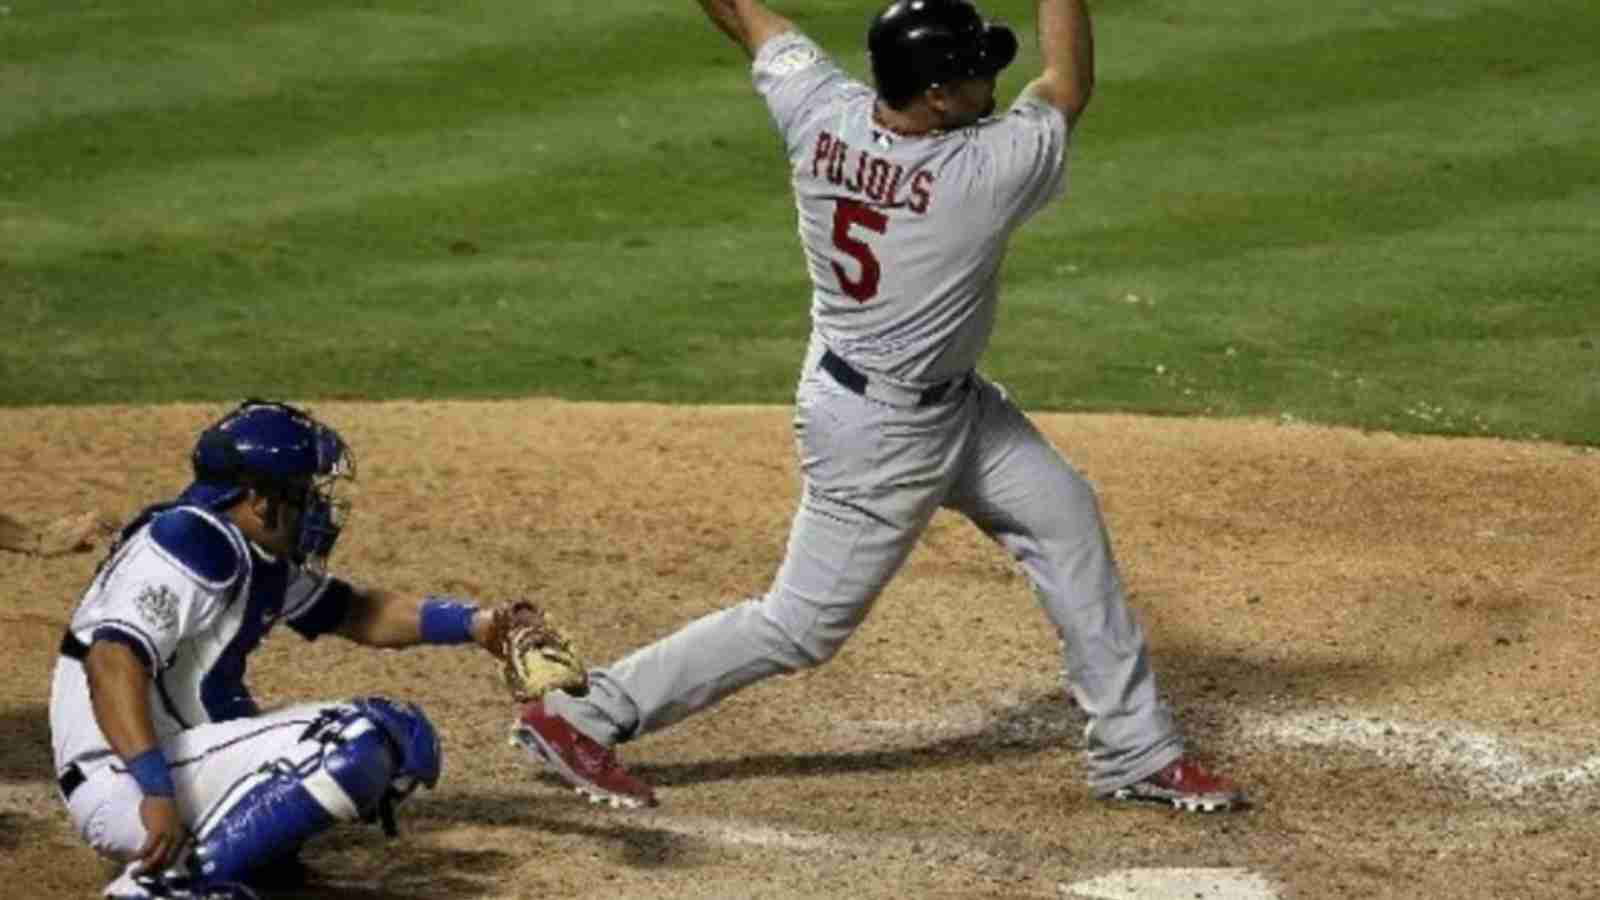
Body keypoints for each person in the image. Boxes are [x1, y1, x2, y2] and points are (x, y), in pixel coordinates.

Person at [513, 0, 1245, 813]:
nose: (989, 80)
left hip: (947, 405)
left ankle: (1135, 751)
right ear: (936, 95)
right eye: (974, 70)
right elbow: (1068, 82)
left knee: (1062, 512)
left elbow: (751, 20)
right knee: (801, 624)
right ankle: (583, 711)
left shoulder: (819, 109)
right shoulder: (983, 174)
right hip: (880, 433)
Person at [50, 399, 527, 899]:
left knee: (399, 738)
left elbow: (356, 612)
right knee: (354, 738)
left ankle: (241, 872)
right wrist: (154, 789)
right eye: (304, 494)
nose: (318, 510)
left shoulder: (247, 552)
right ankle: (160, 891)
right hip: (128, 775)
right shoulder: (191, 541)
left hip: (159, 765)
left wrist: (477, 625)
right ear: (259, 499)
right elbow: (110, 660)